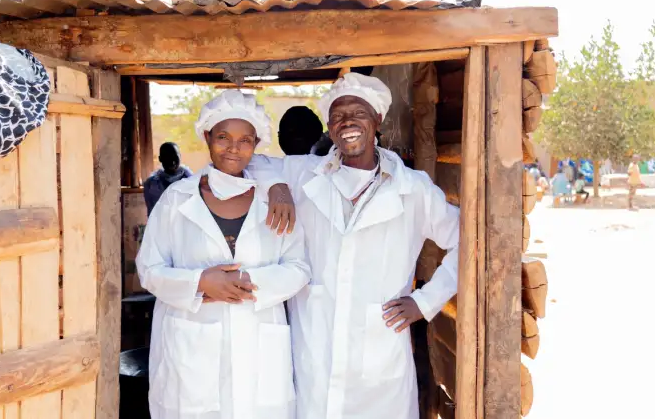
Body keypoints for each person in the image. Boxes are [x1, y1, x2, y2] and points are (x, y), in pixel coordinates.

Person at [248, 73, 460, 419]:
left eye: (358, 113)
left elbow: (465, 239)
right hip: (315, 354)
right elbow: (250, 162)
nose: (347, 122)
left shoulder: (413, 188)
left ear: (377, 120)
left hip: (379, 360)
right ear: (329, 128)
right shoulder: (304, 174)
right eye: (337, 116)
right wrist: (276, 186)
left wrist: (425, 301)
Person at [136, 90, 311, 419]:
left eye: (245, 139)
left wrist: (249, 282)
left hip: (259, 347)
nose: (234, 148)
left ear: (256, 144)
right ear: (206, 137)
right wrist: (200, 282)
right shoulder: (177, 199)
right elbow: (149, 269)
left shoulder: (273, 201)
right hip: (191, 352)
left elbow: (299, 266)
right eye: (222, 137)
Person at [143, 142, 192, 216]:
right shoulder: (150, 185)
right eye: (167, 157)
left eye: (175, 156)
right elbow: (152, 216)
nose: (172, 161)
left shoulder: (192, 183)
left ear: (180, 156)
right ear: (160, 159)